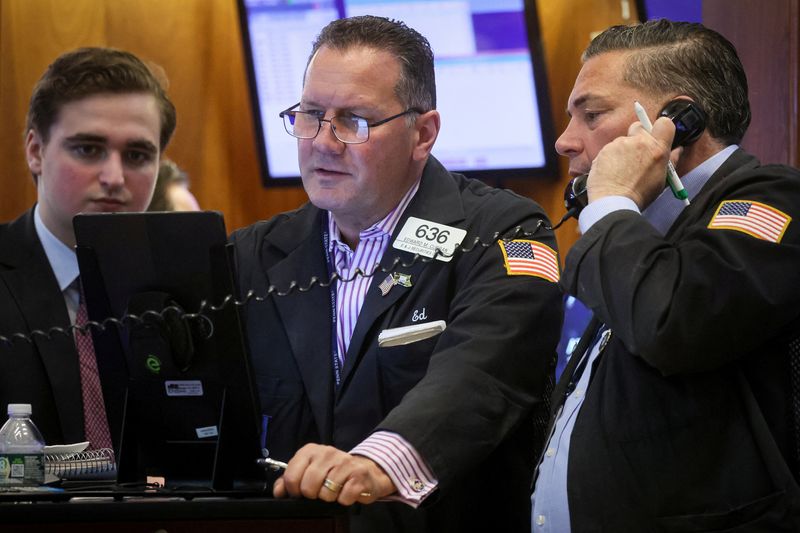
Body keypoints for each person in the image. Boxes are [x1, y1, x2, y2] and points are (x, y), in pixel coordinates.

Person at [230, 15, 562, 533]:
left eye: (353, 121)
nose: (322, 141)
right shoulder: (253, 254)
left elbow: (481, 377)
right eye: (311, 114)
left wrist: (379, 463)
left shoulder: (503, 231)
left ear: (423, 133)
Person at [532, 19, 800, 531]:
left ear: (677, 122)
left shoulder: (774, 199)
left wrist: (610, 201)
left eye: (591, 115)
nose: (565, 141)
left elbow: (674, 323)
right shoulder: (633, 232)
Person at [0, 47, 176, 448]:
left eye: (137, 155)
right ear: (35, 151)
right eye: (88, 149)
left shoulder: (183, 288)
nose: (114, 177)